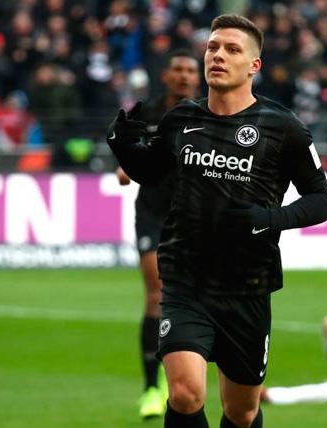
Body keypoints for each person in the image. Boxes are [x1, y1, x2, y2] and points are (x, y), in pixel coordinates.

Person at [106, 14, 327, 428]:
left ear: (254, 65)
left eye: (232, 49)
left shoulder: (284, 128)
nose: (218, 55)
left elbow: (322, 201)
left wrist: (270, 219)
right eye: (212, 47)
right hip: (185, 279)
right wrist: (122, 145)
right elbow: (151, 172)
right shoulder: (182, 119)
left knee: (242, 413)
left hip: (247, 286)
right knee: (185, 393)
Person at [114, 48, 201, 420]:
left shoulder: (206, 114)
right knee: (157, 294)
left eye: (189, 70)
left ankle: (186, 377)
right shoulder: (143, 113)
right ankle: (152, 388)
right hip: (152, 215)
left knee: (197, 299)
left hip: (192, 216)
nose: (183, 76)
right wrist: (128, 166)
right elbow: (124, 163)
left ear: (197, 78)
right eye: (177, 69)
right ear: (165, 76)